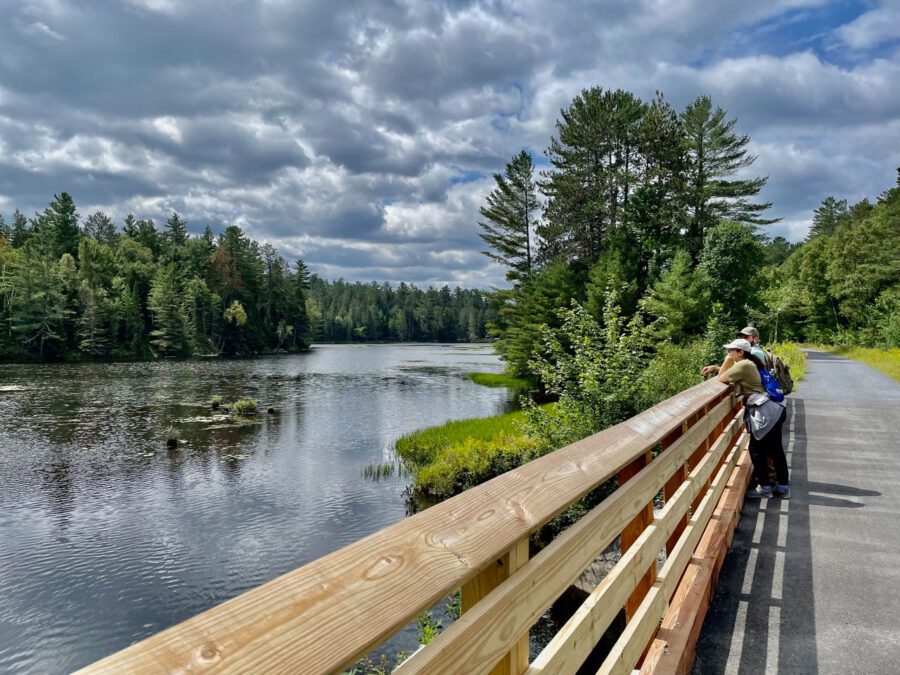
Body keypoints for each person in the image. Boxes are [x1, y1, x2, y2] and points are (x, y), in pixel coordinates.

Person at [702, 339, 790, 499]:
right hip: (775, 408)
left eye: (731, 351)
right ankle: (783, 487)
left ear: (740, 352)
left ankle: (765, 488)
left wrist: (726, 361)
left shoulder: (743, 365)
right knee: (775, 448)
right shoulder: (749, 363)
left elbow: (721, 379)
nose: (728, 353)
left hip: (766, 412)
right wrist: (721, 364)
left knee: (756, 449)